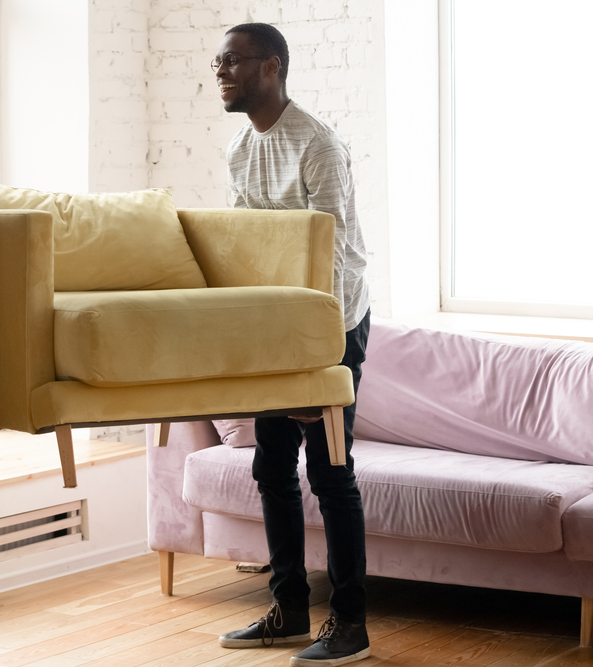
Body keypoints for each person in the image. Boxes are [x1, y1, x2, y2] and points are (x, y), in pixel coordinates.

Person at [213, 23, 372, 667]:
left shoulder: (318, 146)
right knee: (270, 467)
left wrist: (314, 362)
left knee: (331, 473)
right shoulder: (238, 150)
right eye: (216, 62)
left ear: (271, 66)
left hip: (332, 324)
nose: (220, 72)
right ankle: (288, 610)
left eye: (233, 61)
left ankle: (352, 625)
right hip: (276, 326)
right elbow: (247, 252)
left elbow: (333, 261)